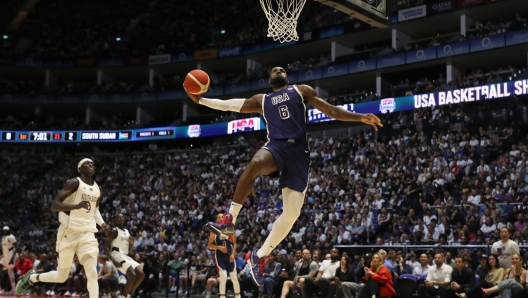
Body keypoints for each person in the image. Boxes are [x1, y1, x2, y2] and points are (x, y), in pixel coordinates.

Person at [184, 67, 383, 286]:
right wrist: (202, 101)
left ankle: (259, 256)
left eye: (282, 69)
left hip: (298, 154)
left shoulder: (301, 90)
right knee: (256, 164)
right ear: (270, 78)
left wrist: (359, 117)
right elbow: (231, 104)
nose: (278, 69)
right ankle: (229, 220)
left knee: (291, 215)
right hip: (276, 147)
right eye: (274, 70)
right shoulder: (262, 99)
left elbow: (331, 111)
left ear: (285, 77)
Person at [16, 158, 110, 298]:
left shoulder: (98, 189)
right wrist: (76, 206)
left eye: (92, 164)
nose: (90, 165)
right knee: (62, 277)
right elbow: (54, 205)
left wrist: (103, 224)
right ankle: (32, 278)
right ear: (80, 169)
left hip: (87, 233)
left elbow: (95, 212)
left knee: (92, 273)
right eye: (86, 164)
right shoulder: (74, 183)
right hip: (69, 232)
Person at [103, 214, 145, 298]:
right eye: (118, 217)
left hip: (125, 256)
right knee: (132, 275)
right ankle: (124, 296)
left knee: (141, 274)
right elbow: (105, 246)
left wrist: (131, 244)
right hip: (117, 255)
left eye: (122, 217)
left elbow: (129, 250)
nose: (121, 218)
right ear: (115, 220)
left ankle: (127, 294)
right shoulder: (114, 230)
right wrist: (113, 259)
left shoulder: (127, 231)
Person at [208, 213, 241, 298]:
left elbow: (234, 243)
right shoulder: (214, 231)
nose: (222, 218)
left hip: (229, 255)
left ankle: (238, 296)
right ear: (217, 220)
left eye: (223, 217)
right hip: (220, 256)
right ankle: (222, 296)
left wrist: (233, 254)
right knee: (223, 276)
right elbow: (210, 245)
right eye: (219, 217)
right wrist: (219, 247)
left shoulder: (231, 229)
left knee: (234, 276)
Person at [1, 226, 17, 293]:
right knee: (8, 272)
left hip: (11, 256)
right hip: (6, 256)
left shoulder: (11, 237)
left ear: (8, 231)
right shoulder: (3, 238)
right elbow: (4, 248)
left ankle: (14, 289)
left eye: (6, 230)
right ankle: (3, 288)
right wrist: (2, 254)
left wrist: (12, 259)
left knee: (10, 273)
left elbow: (16, 247)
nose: (5, 231)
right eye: (4, 230)